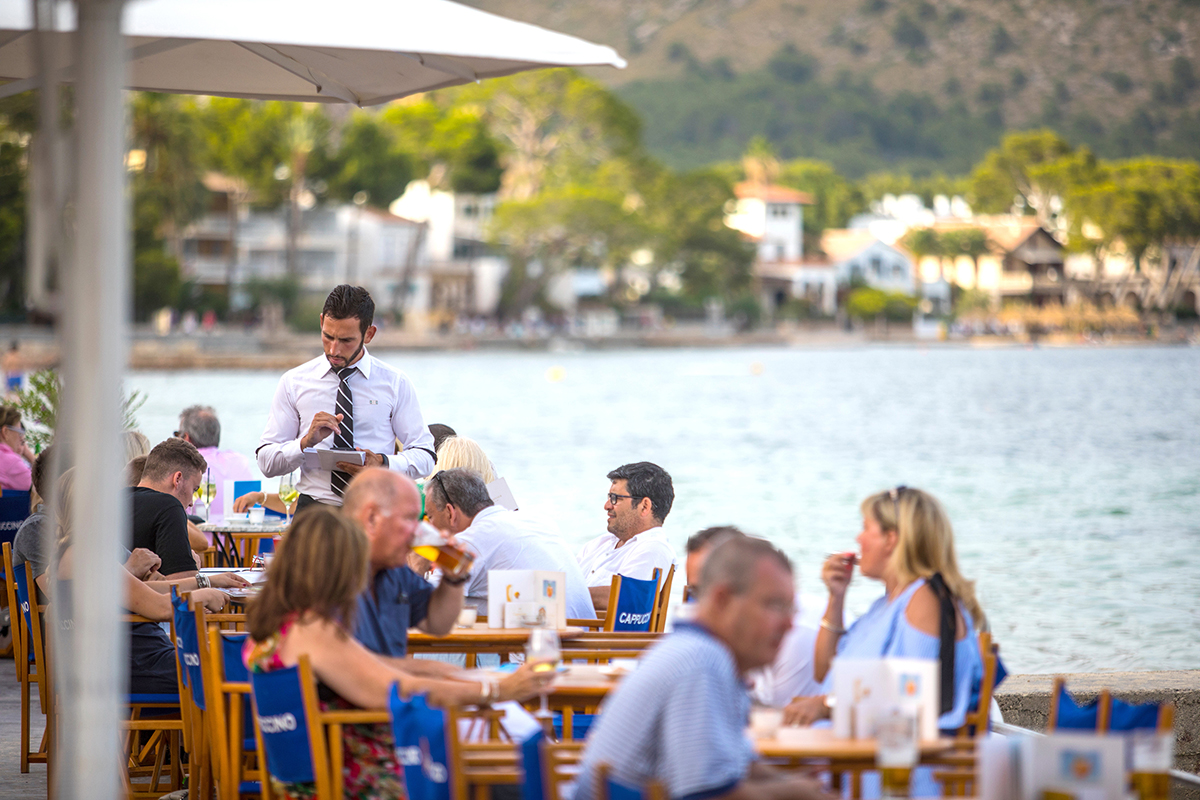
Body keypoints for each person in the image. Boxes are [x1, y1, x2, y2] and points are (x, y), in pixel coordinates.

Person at [243, 506, 553, 800]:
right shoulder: (314, 630)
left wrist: (443, 671)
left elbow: (370, 664)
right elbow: (395, 688)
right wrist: (497, 689)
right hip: (361, 777)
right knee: (508, 780)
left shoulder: (284, 626)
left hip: (327, 771)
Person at [575, 536, 832, 800]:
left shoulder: (698, 651)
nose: (789, 624)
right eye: (774, 606)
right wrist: (797, 792)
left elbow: (743, 765)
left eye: (791, 609)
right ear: (722, 600)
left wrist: (795, 784)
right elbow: (708, 794)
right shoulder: (701, 664)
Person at [783, 486, 985, 732]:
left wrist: (826, 705)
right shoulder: (884, 606)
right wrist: (836, 596)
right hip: (851, 752)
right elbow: (826, 672)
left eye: (866, 528)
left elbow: (911, 694)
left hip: (889, 762)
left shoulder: (925, 599)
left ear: (891, 539)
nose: (858, 538)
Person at [45, 467, 235, 694]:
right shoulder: (85, 554)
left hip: (129, 660)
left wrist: (207, 582)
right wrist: (203, 596)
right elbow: (160, 607)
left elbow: (145, 590)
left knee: (228, 659)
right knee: (232, 667)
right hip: (136, 664)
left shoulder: (75, 551)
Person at [256, 285, 436, 511]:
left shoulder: (396, 383)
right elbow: (266, 462)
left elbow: (426, 456)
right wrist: (304, 443)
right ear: (321, 322)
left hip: (376, 511)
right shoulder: (293, 382)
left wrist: (383, 463)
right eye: (328, 336)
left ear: (369, 334)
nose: (334, 349)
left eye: (346, 340)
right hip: (314, 513)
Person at [424, 468, 595, 620]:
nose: (429, 527)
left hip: (543, 649)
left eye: (430, 517)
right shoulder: (538, 520)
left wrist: (417, 565)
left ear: (450, 512)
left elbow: (426, 608)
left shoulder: (470, 540)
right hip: (590, 646)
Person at [339, 468, 468, 668]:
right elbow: (365, 670)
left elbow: (437, 623)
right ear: (372, 518)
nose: (417, 531)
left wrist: (453, 579)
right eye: (409, 519)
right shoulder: (331, 573)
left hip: (386, 693)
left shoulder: (394, 571)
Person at [576, 462, 676, 613]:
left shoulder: (654, 548)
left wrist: (563, 595)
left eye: (615, 498)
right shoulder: (599, 544)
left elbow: (625, 597)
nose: (607, 505)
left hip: (594, 636)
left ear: (644, 506)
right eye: (609, 497)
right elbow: (566, 584)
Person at [131, 438, 208, 578]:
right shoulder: (169, 507)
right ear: (177, 479)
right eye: (194, 489)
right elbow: (182, 586)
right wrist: (193, 567)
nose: (191, 502)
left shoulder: (116, 500)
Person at [175, 405, 253, 522]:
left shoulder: (184, 466)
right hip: (239, 539)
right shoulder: (240, 461)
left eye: (177, 435)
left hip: (198, 538)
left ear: (186, 437)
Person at [0, 406, 34, 491]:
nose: (21, 438)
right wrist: (29, 455)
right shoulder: (10, 462)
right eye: (19, 433)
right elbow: (45, 487)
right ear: (5, 432)